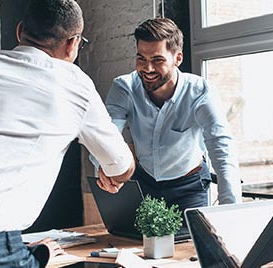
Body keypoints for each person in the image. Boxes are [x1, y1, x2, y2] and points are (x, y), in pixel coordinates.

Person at [0, 0, 135, 267]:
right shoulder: (72, 82)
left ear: (20, 30)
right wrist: (112, 170)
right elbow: (121, 169)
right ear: (73, 44)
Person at [94, 18, 241, 226]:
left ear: (177, 58)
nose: (148, 68)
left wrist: (231, 211)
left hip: (189, 187)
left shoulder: (200, 93)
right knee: (134, 247)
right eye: (141, 59)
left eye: (157, 60)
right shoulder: (124, 87)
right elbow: (105, 135)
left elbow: (221, 147)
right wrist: (103, 168)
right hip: (143, 182)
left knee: (192, 250)